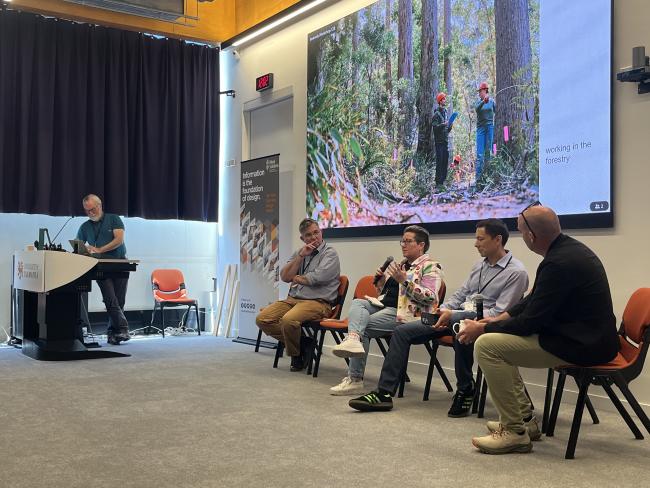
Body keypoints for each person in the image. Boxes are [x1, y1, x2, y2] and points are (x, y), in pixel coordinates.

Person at [458, 204, 619, 455]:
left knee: (488, 346)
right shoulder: (566, 251)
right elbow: (532, 300)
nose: (522, 237)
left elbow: (529, 323)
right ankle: (525, 421)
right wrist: (497, 320)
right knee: (498, 337)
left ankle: (514, 432)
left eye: (522, 232)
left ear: (531, 236)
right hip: (585, 336)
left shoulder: (558, 264)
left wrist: (483, 330)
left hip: (582, 345)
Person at [348, 219, 528, 413]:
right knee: (401, 332)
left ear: (498, 240)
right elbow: (461, 294)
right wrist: (443, 310)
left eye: (480, 239)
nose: (475, 243)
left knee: (460, 323)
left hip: (482, 322)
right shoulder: (479, 266)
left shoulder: (515, 272)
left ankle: (466, 389)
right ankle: (384, 393)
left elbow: (499, 313)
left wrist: (452, 314)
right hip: (454, 316)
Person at [330, 225, 443, 396]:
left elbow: (431, 298)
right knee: (358, 303)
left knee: (364, 328)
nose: (403, 245)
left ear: (421, 245)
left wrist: (405, 281)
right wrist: (382, 282)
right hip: (386, 306)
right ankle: (353, 338)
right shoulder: (403, 265)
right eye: (402, 241)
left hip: (407, 313)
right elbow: (389, 294)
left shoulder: (431, 267)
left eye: (408, 241)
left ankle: (355, 379)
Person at [256, 218, 340, 372]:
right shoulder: (300, 253)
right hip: (294, 299)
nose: (314, 237)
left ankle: (296, 355)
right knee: (262, 319)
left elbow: (316, 278)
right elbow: (283, 276)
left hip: (318, 302)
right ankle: (303, 344)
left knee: (289, 320)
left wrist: (294, 278)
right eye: (309, 235)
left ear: (321, 232)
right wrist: (300, 256)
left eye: (316, 232)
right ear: (303, 238)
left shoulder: (330, 253)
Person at [76, 194, 130, 345]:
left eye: (92, 209)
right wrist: (85, 249)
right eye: (87, 211)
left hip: (120, 263)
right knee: (110, 299)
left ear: (99, 206)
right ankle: (123, 328)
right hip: (100, 266)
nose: (90, 213)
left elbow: (119, 240)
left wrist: (99, 249)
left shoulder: (114, 219)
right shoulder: (84, 227)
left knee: (119, 301)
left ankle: (113, 333)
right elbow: (77, 245)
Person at [474, 82, 495, 183]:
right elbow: (477, 110)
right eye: (479, 92)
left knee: (489, 153)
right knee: (479, 154)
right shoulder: (479, 102)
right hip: (481, 130)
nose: (479, 94)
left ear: (485, 90)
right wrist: (483, 101)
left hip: (490, 128)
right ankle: (478, 179)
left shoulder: (492, 102)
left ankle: (488, 177)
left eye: (480, 91)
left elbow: (497, 112)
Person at [432, 92, 454, 187]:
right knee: (439, 161)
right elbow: (435, 128)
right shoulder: (436, 114)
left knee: (445, 161)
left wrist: (449, 126)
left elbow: (446, 130)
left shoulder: (445, 112)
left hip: (445, 141)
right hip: (439, 142)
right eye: (444, 99)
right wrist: (443, 125)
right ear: (440, 101)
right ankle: (438, 183)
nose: (445, 100)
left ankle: (443, 181)